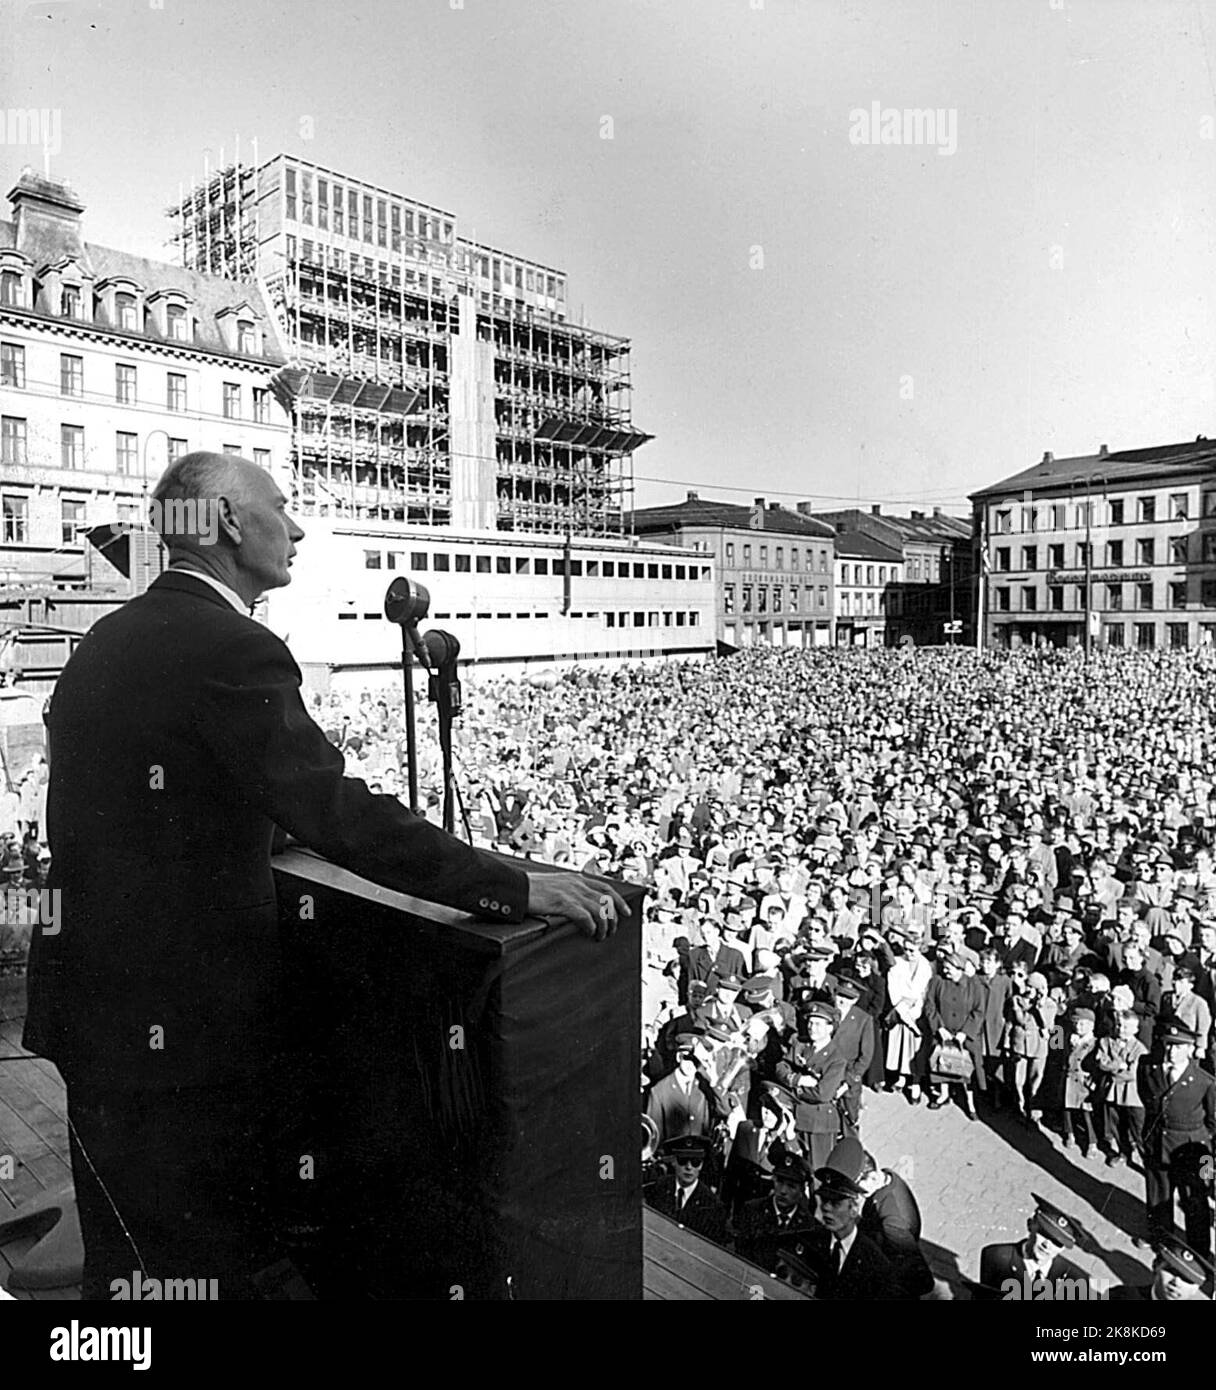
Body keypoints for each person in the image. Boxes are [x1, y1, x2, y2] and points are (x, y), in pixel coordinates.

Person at [23, 452, 627, 1302]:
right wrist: (514, 887)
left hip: (93, 1011)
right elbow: (339, 816)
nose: (298, 527)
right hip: (186, 1034)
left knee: (133, 1257)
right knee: (207, 1265)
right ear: (229, 523)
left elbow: (153, 803)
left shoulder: (110, 637)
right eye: (282, 507)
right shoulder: (234, 646)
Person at [1136, 1021, 1216, 1257]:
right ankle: (1160, 1237)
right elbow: (1147, 1098)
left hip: (1195, 1150)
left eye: (1179, 1046)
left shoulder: (1205, 1081)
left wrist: (1208, 1155)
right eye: (1169, 1045)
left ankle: (1199, 1251)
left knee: (1195, 1199)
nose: (1172, 1051)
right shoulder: (1147, 1066)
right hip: (1157, 1142)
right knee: (1158, 1192)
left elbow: (1213, 1122)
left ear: (1191, 1049)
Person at [803, 1138, 901, 1300]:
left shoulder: (875, 1263)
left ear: (854, 1208)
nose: (826, 1208)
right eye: (824, 1200)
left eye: (835, 1203)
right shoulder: (811, 1240)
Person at [856, 1148, 935, 1299]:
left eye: (859, 1190)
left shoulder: (893, 1223)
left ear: (872, 1177)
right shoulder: (888, 1177)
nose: (858, 1195)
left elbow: (918, 1273)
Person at [976, 1197, 1090, 1301]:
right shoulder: (996, 1256)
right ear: (1030, 1225)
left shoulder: (1074, 1278)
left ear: (1063, 1249)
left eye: (1057, 1243)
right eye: (1043, 1234)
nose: (1047, 1245)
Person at [731, 1149, 817, 1270]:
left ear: (802, 1190)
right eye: (780, 1182)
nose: (783, 1191)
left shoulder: (809, 1226)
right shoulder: (751, 1211)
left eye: (791, 1186)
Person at [644, 1134, 729, 1246]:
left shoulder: (712, 1204)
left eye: (695, 1162)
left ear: (701, 1166)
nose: (689, 1167)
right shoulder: (658, 1188)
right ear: (673, 1162)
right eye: (683, 1161)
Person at [1108, 1235, 1214, 1302]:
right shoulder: (1121, 1295)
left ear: (1196, 1289)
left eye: (1188, 1279)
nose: (1176, 1282)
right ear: (1156, 1266)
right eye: (1171, 1271)